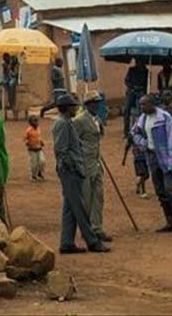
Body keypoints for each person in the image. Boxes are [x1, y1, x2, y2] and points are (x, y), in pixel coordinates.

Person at [53, 94, 110, 253]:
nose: (76, 108)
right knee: (79, 207)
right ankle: (92, 241)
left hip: (79, 168)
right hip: (70, 171)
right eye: (74, 106)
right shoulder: (62, 124)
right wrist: (74, 167)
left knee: (70, 209)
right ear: (67, 108)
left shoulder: (67, 122)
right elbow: (61, 150)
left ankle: (66, 243)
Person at [131, 95, 172, 234]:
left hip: (167, 157)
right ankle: (170, 221)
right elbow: (134, 132)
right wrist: (142, 143)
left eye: (144, 105)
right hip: (152, 156)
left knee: (170, 189)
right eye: (141, 105)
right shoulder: (142, 119)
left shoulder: (164, 118)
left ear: (152, 104)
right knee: (160, 191)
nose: (142, 108)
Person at [74, 91, 112, 242]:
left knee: (99, 197)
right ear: (87, 104)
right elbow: (74, 142)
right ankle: (87, 230)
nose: (97, 105)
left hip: (96, 163)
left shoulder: (97, 119)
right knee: (87, 199)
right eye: (94, 103)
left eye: (98, 102)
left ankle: (97, 228)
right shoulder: (79, 120)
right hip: (84, 164)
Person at [123, 58, 149, 137]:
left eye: (141, 61)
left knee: (142, 110)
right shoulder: (131, 70)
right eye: (138, 61)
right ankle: (126, 131)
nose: (139, 63)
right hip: (131, 91)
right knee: (127, 109)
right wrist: (133, 87)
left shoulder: (146, 72)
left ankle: (141, 129)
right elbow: (126, 81)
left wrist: (140, 88)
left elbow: (147, 84)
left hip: (140, 92)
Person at [24, 115, 46, 181]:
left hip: (39, 148)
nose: (36, 122)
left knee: (42, 161)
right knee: (34, 164)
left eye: (37, 120)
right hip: (32, 149)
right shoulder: (28, 130)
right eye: (34, 121)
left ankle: (40, 173)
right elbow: (25, 138)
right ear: (30, 122)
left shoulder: (38, 129)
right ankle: (33, 175)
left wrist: (41, 141)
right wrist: (27, 142)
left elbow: (38, 137)